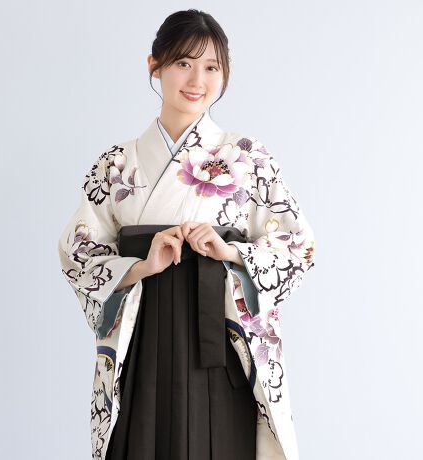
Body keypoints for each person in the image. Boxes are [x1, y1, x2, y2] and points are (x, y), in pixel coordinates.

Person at [57, 9, 315, 460]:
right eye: (183, 63)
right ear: (154, 65)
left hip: (220, 341)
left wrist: (231, 253)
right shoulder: (116, 164)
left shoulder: (248, 158)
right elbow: (78, 253)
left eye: (212, 67)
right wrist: (141, 265)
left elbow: (298, 246)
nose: (197, 80)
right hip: (142, 340)